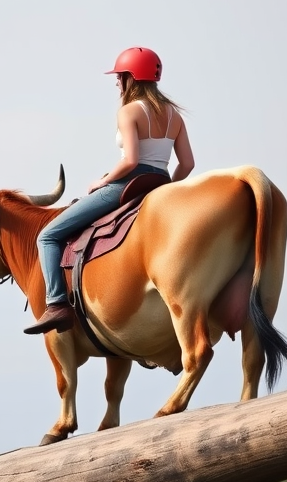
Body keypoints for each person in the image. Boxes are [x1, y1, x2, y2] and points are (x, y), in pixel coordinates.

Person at [24, 46, 195, 335]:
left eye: (119, 76)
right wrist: (168, 190)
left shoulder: (129, 111)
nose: (117, 82)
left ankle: (55, 304)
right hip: (159, 182)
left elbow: (130, 160)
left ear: (131, 77)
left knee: (48, 236)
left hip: (127, 184)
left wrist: (102, 182)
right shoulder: (174, 115)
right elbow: (188, 164)